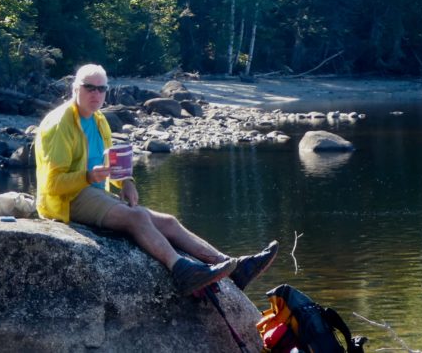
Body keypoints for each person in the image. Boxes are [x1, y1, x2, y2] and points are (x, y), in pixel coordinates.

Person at [35, 63, 278, 296]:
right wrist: (88, 176)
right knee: (137, 217)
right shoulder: (61, 123)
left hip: (92, 191)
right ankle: (181, 270)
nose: (96, 94)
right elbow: (52, 185)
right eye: (90, 87)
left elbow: (112, 163)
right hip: (68, 199)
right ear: (75, 88)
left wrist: (127, 182)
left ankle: (233, 267)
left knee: (169, 221)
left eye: (102, 89)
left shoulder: (98, 120)